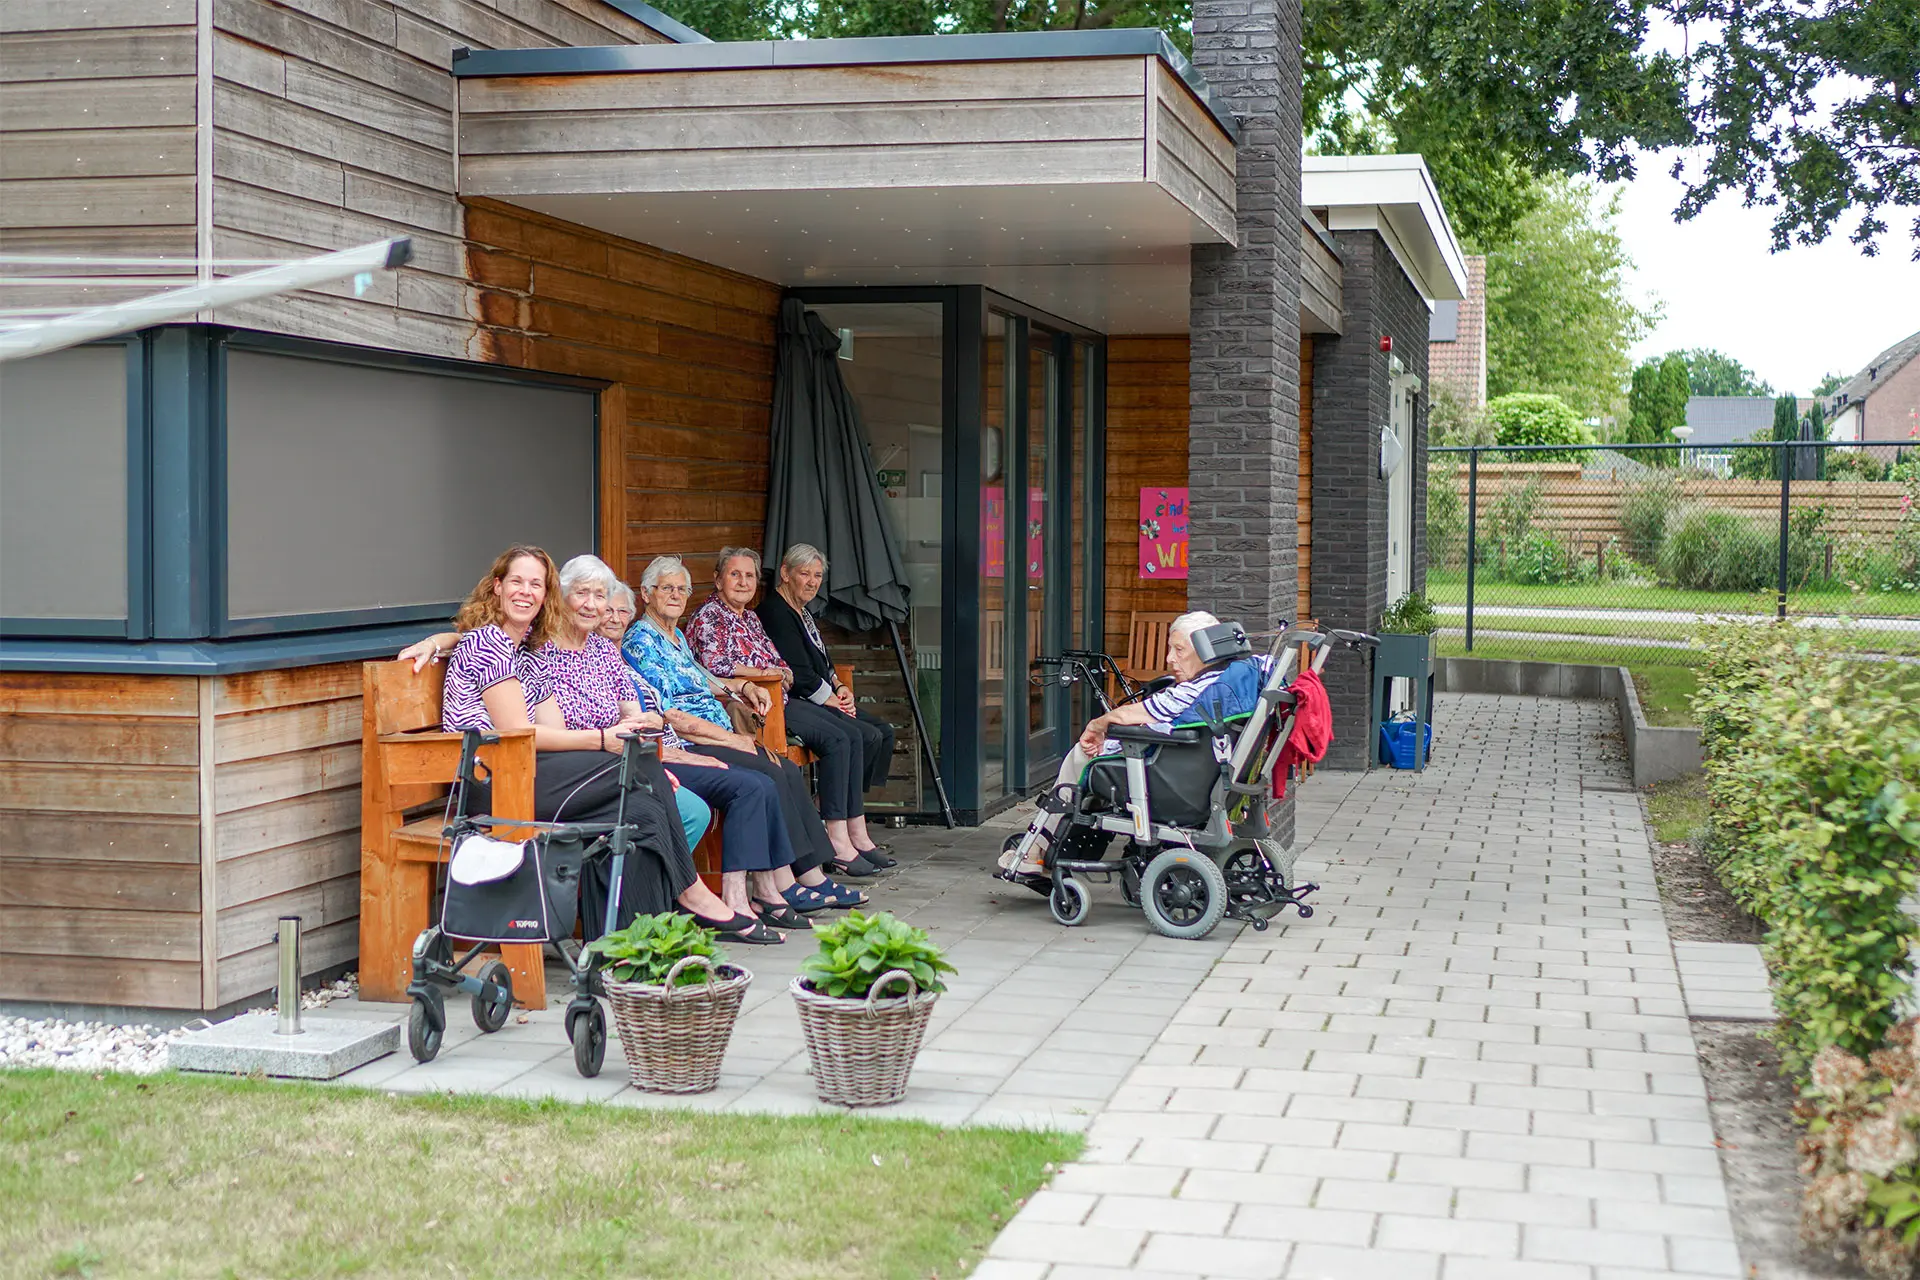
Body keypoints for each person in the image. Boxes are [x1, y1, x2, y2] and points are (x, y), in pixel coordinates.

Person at [428, 545, 749, 942]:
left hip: (530, 771)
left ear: (546, 595)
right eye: (516, 582)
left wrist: (620, 752)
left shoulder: (529, 650)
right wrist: (603, 741)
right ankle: (688, 893)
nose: (526, 592)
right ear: (497, 587)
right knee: (640, 778)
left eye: (536, 585)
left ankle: (624, 949)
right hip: (494, 782)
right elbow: (518, 734)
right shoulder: (489, 642)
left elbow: (554, 728)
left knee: (641, 810)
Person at [623, 554, 884, 882]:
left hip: (722, 727)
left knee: (786, 769)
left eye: (682, 589)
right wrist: (733, 737)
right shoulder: (642, 641)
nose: (676, 595)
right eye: (667, 588)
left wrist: (744, 685)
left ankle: (811, 870)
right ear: (646, 594)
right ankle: (796, 878)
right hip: (693, 741)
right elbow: (669, 712)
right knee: (769, 774)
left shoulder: (675, 638)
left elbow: (704, 678)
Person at [995, 611, 1270, 879]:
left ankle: (1037, 849)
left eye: (1179, 650)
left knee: (1081, 757)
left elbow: (1126, 715)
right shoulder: (1245, 677)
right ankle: (1054, 845)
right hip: (1209, 780)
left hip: (1174, 787)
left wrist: (1095, 727)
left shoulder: (1194, 692)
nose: (1169, 659)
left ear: (1206, 651)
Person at [692, 546, 897, 869]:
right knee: (839, 739)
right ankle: (837, 840)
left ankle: (852, 831)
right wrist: (767, 674)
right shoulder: (710, 617)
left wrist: (789, 674)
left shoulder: (749, 618)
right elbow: (715, 665)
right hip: (757, 707)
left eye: (749, 576)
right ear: (718, 580)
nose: (743, 582)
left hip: (780, 698)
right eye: (735, 575)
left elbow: (780, 661)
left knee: (854, 735)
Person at [752, 544, 899, 866]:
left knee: (882, 733)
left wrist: (840, 686)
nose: (812, 582)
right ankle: (844, 827)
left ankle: (829, 801)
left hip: (820, 694)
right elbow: (799, 673)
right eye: (804, 574)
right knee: (858, 735)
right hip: (798, 699)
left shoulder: (803, 612)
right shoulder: (775, 612)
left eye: (817, 575)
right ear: (785, 573)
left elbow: (823, 662)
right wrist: (829, 698)